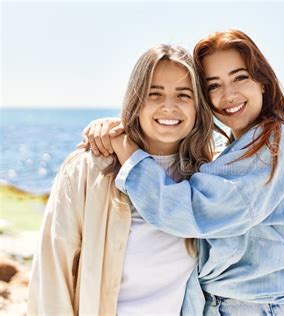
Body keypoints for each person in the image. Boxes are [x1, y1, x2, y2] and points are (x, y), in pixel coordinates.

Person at [83, 29, 284, 315]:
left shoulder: (274, 141)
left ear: (263, 82)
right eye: (213, 85)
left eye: (239, 77)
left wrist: (129, 151)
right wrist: (124, 127)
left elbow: (194, 211)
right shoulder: (237, 150)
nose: (228, 95)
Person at [27, 44, 214, 315]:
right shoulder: (89, 169)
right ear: (136, 99)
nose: (169, 107)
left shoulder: (207, 176)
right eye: (154, 94)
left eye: (184, 95)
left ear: (199, 105)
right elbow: (52, 272)